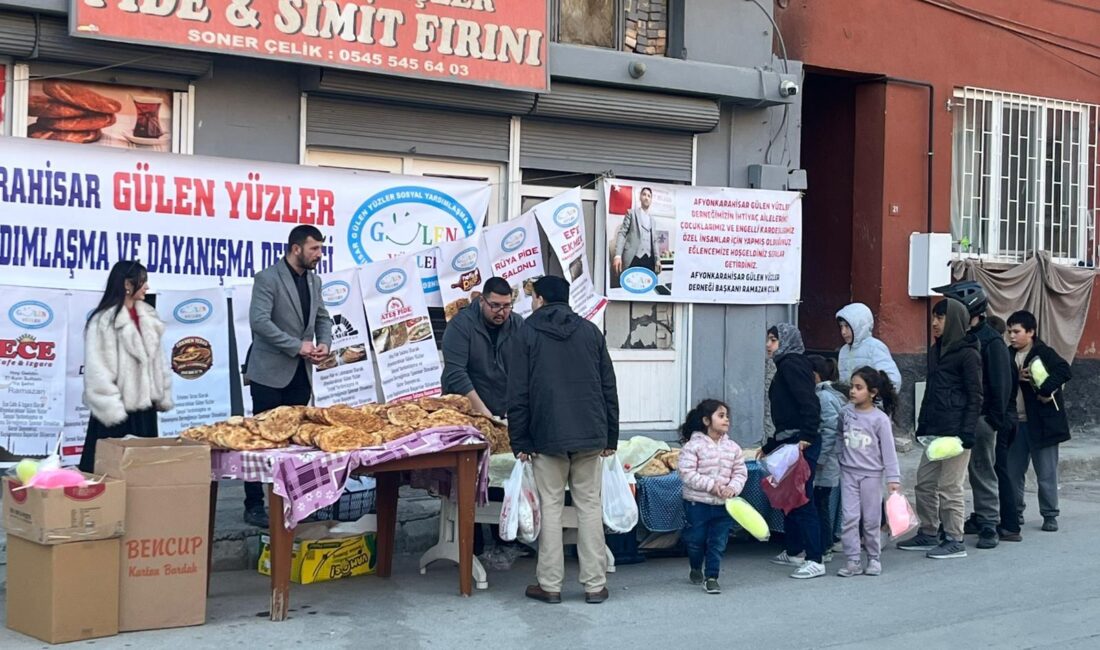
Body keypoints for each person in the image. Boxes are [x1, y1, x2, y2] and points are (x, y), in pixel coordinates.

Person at [507, 276, 619, 604]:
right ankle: (595, 585)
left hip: (546, 435)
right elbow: (607, 387)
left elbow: (518, 392)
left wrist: (520, 440)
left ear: (539, 299)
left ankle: (550, 585)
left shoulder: (526, 333)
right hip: (590, 433)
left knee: (551, 508)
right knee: (589, 506)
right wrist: (610, 434)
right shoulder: (590, 331)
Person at [242, 225, 332, 528]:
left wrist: (323, 345)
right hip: (269, 373)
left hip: (300, 374)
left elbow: (323, 317)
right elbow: (260, 322)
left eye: (320, 248)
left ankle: (295, 502)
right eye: (314, 249)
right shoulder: (267, 278)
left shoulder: (315, 280)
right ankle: (253, 504)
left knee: (296, 441)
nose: (319, 254)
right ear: (296, 249)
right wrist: (297, 346)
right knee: (261, 441)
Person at [898, 299, 982, 559]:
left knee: (950, 487)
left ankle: (955, 539)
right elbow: (932, 391)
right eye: (933, 317)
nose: (934, 323)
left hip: (957, 433)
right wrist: (923, 424)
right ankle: (928, 531)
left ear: (955, 320)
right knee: (924, 482)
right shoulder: (937, 351)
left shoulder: (969, 354)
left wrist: (967, 433)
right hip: (935, 431)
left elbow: (975, 396)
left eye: (940, 318)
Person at [935, 281, 1014, 549]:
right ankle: (971, 518)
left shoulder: (991, 342)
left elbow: (1002, 384)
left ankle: (989, 522)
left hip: (981, 418)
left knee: (982, 470)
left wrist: (991, 419)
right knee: (956, 475)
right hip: (956, 417)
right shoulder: (953, 339)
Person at [81, 260, 172, 473]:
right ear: (127, 285)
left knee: (143, 467)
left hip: (143, 404)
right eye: (143, 281)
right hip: (118, 406)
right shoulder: (105, 319)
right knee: (111, 464)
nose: (147, 287)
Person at [762, 323, 825, 579]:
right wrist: (771, 445)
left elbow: (809, 404)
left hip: (801, 442)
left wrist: (807, 436)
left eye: (774, 339)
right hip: (790, 440)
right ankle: (794, 550)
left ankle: (815, 559)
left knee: (803, 499)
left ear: (785, 341)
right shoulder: (785, 365)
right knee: (791, 498)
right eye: (768, 339)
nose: (769, 344)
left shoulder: (792, 365)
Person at [1006, 310, 1072, 533]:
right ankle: (1015, 511)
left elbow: (1064, 370)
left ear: (1031, 332)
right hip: (1016, 424)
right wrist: (1016, 378)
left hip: (1043, 423)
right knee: (1013, 471)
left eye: (1017, 332)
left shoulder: (1043, 352)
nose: (1012, 336)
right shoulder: (1006, 355)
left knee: (1046, 472)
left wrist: (1046, 389)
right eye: (1009, 332)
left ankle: (1050, 514)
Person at [678, 399, 748, 595]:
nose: (726, 420)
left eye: (727, 416)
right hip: (697, 504)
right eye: (721, 416)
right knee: (696, 540)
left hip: (723, 505)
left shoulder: (733, 448)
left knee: (717, 542)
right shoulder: (694, 446)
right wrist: (711, 486)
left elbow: (741, 473)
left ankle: (711, 577)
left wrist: (732, 488)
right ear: (707, 420)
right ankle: (695, 565)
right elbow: (686, 472)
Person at [837, 367, 902, 577]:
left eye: (859, 387)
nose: (853, 391)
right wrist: (839, 455)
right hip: (848, 473)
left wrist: (893, 478)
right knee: (849, 517)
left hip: (872, 476)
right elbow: (839, 434)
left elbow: (888, 450)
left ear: (872, 392)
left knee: (872, 519)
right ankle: (853, 559)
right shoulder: (845, 413)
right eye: (852, 387)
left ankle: (874, 558)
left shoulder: (880, 419)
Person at [442, 276, 523, 420]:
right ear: (481, 301)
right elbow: (455, 373)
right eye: (495, 305)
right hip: (461, 411)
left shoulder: (517, 323)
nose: (501, 312)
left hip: (503, 411)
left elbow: (525, 367)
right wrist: (485, 415)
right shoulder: (460, 325)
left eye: (506, 306)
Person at [808, 355, 846, 563]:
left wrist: (820, 458)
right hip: (829, 460)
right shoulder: (828, 395)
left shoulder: (824, 397)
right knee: (820, 502)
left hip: (827, 461)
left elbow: (831, 430)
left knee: (819, 503)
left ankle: (825, 545)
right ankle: (826, 542)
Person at [835, 303, 902, 390]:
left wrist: (877, 401)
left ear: (860, 326)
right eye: (841, 326)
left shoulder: (875, 347)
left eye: (847, 326)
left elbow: (893, 380)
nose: (843, 332)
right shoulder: (844, 351)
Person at [612, 186, 657, 280]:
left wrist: (658, 259)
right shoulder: (631, 213)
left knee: (647, 288)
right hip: (633, 258)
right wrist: (617, 255)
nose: (646, 197)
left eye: (649, 196)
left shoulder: (652, 220)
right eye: (644, 194)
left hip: (649, 260)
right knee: (630, 287)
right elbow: (622, 233)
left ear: (651, 200)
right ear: (640, 197)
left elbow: (655, 241)